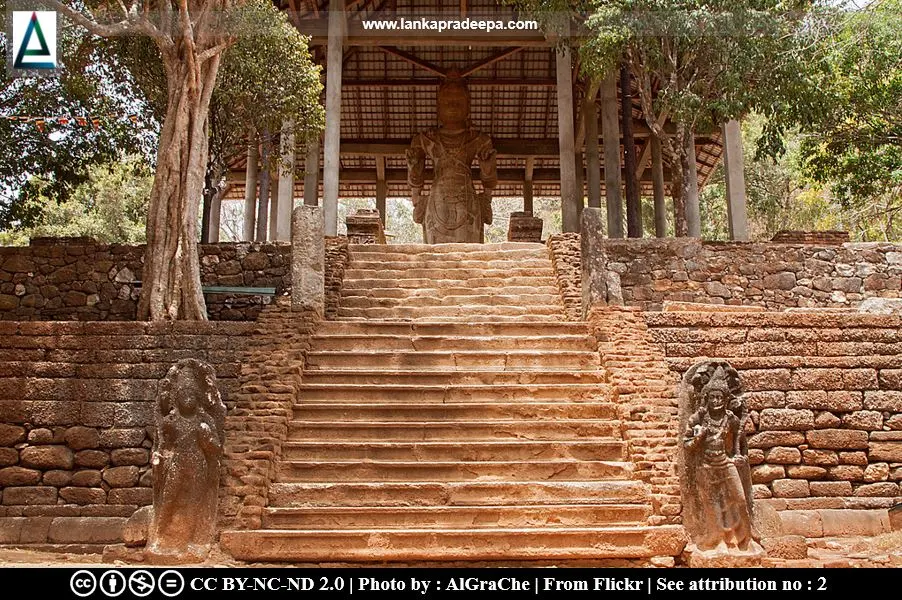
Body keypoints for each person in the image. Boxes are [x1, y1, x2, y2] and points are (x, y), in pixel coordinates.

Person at [407, 71, 497, 243]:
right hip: (436, 200)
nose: (452, 106)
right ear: (438, 105)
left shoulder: (480, 140)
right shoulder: (424, 140)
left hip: (467, 200)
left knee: (468, 250)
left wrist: (487, 183)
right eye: (447, 101)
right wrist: (416, 196)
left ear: (468, 106)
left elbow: (489, 181)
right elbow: (415, 179)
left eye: (458, 102)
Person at [683, 366, 754, 551]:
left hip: (726, 463)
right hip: (706, 466)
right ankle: (719, 540)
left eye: (720, 398)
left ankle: (745, 539)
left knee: (740, 499)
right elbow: (687, 446)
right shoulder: (697, 419)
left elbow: (741, 446)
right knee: (713, 505)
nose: (716, 401)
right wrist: (699, 437)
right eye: (713, 397)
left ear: (725, 399)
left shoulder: (731, 420)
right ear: (707, 398)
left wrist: (739, 458)